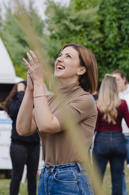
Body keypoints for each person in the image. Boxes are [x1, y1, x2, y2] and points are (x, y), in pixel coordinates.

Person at [16, 44, 98, 194]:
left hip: (71, 177)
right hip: (46, 173)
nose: (59, 59)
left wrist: (40, 83)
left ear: (82, 69)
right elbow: (23, 129)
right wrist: (30, 89)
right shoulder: (48, 100)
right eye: (60, 55)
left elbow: (48, 125)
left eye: (68, 56)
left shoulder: (85, 100)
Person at [93, 74, 129, 195]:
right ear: (115, 88)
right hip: (119, 142)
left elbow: (94, 128)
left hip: (101, 142)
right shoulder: (122, 103)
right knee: (118, 179)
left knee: (97, 180)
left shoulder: (97, 104)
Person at [3, 81, 40, 195]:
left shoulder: (36, 101)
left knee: (32, 176)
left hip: (34, 144)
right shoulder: (13, 102)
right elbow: (17, 111)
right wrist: (20, 93)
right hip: (18, 144)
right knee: (16, 176)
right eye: (25, 88)